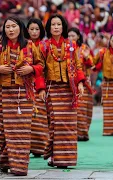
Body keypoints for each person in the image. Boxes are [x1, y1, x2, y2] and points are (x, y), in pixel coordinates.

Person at [0, 16, 44, 176]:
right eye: (7, 27)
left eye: (14, 26)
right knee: (5, 130)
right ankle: (5, 161)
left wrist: (31, 69)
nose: (10, 30)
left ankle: (20, 167)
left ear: (20, 28)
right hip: (6, 94)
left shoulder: (31, 46)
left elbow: (41, 65)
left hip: (25, 94)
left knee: (23, 131)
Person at [42, 14, 85, 168]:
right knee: (56, 124)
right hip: (52, 88)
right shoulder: (45, 46)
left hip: (69, 90)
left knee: (69, 125)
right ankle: (54, 155)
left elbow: (77, 66)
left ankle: (65, 158)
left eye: (59, 24)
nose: (56, 27)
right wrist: (40, 88)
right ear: (49, 27)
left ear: (63, 26)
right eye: (53, 24)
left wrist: (80, 83)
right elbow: (41, 68)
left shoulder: (71, 45)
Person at [24, 18, 49, 158]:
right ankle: (27, 146)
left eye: (37, 29)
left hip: (41, 84)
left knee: (40, 117)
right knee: (27, 117)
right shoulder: (23, 45)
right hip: (25, 84)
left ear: (41, 30)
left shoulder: (45, 46)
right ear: (27, 30)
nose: (34, 32)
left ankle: (40, 147)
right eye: (31, 29)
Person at [68, 27, 94, 141]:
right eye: (69, 36)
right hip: (70, 82)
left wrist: (87, 57)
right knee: (73, 108)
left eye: (73, 35)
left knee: (83, 108)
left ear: (78, 36)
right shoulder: (66, 48)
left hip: (83, 82)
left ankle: (83, 133)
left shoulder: (84, 48)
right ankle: (74, 133)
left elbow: (91, 64)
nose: (70, 38)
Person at [92, 33, 113, 136]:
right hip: (107, 83)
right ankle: (108, 130)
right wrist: (95, 58)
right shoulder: (103, 52)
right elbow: (94, 63)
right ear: (109, 41)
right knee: (108, 108)